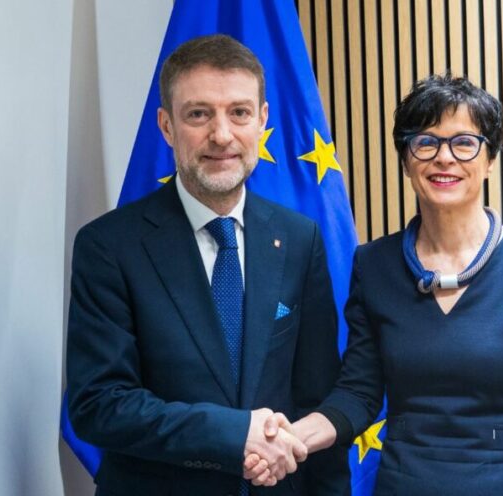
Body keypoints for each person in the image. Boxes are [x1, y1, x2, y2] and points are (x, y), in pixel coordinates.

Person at [264, 73, 503, 495]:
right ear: (406, 161)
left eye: (464, 142)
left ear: (490, 159)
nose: (444, 158)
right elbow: (358, 393)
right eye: (425, 142)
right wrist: (290, 438)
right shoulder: (373, 266)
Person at [66, 34, 349, 495]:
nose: (221, 135)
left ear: (262, 120)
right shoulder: (109, 246)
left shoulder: (299, 239)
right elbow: (99, 404)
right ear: (166, 126)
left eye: (239, 112)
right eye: (199, 114)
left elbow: (316, 399)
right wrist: (234, 434)